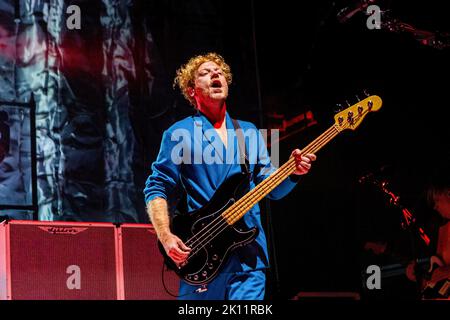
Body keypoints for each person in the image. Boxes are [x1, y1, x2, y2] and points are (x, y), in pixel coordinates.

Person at [144, 52, 316, 300]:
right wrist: (165, 235)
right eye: (205, 72)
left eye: (220, 71)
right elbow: (156, 187)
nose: (216, 74)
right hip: (201, 253)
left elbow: (272, 190)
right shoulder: (178, 132)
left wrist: (292, 173)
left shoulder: (249, 131)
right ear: (192, 91)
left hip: (249, 256)